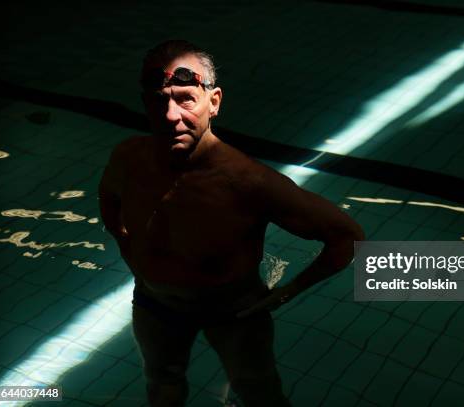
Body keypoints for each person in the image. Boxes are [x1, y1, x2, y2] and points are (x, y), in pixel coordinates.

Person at [98, 39, 364, 407]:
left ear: (214, 102)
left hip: (233, 312)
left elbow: (346, 237)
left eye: (185, 98)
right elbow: (109, 197)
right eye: (159, 100)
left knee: (258, 392)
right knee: (161, 383)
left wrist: (287, 292)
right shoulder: (128, 157)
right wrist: (123, 241)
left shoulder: (247, 182)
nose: (171, 114)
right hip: (154, 302)